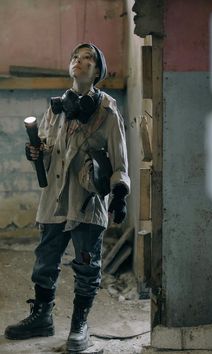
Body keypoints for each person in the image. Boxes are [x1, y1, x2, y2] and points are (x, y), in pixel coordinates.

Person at [4, 43, 130, 352]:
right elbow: (47, 150)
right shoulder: (56, 107)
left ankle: (79, 326)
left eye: (87, 58)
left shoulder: (106, 110)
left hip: (86, 200)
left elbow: (119, 158)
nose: (79, 61)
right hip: (55, 199)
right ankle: (41, 317)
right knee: (45, 262)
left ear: (97, 70)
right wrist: (35, 151)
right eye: (75, 57)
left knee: (87, 265)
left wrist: (120, 192)